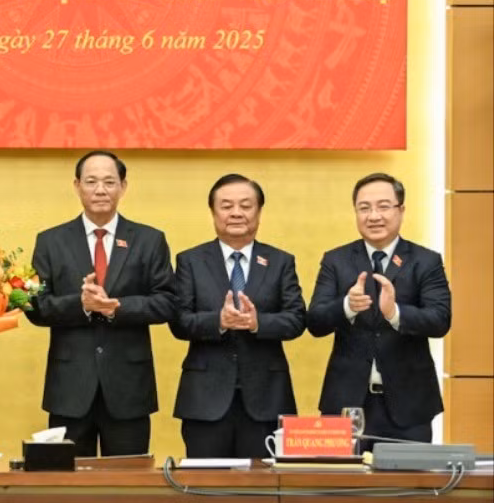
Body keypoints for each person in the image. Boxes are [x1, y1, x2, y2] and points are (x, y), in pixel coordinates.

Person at [25, 151, 175, 457]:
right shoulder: (51, 241)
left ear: (123, 186)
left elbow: (167, 302)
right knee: (68, 486)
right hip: (69, 387)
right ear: (77, 185)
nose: (100, 189)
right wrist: (80, 304)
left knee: (127, 482)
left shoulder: (149, 240)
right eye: (91, 181)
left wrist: (114, 307)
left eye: (109, 181)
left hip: (129, 387)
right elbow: (36, 307)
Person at [168, 174, 306, 461]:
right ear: (213, 212)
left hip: (266, 398)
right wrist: (218, 321)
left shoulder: (281, 261)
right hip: (205, 400)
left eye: (246, 205)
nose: (236, 213)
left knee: (262, 493)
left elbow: (296, 319)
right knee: (205, 492)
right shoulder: (190, 261)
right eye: (226, 205)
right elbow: (178, 321)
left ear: (259, 211)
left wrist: (258, 323)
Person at [306, 172, 451, 444]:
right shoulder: (336, 260)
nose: (374, 216)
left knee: (408, 486)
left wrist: (395, 313)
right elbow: (314, 321)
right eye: (364, 208)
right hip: (346, 405)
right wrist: (347, 306)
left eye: (383, 206)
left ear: (401, 210)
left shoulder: (425, 261)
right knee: (343, 486)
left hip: (410, 406)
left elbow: (440, 320)